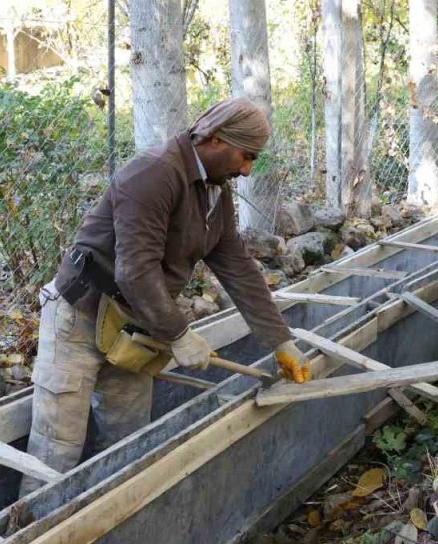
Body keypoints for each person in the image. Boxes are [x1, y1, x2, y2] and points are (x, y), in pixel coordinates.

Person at [23, 97, 311, 490]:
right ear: (214, 138)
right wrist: (178, 334)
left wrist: (281, 340)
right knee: (55, 452)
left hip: (137, 325)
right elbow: (135, 270)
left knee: (127, 444)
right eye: (246, 156)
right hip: (81, 315)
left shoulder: (215, 191)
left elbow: (237, 267)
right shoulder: (154, 173)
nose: (246, 170)